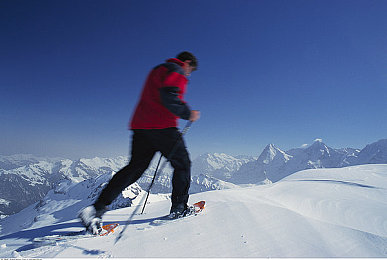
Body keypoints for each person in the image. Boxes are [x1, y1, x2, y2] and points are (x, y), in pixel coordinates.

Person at [79, 51, 200, 234]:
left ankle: (96, 209)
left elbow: (155, 96)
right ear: (187, 63)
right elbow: (169, 96)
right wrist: (187, 113)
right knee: (183, 164)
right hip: (163, 127)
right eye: (191, 70)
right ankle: (179, 208)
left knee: (134, 168)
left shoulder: (157, 70)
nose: (189, 74)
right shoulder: (176, 71)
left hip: (141, 127)